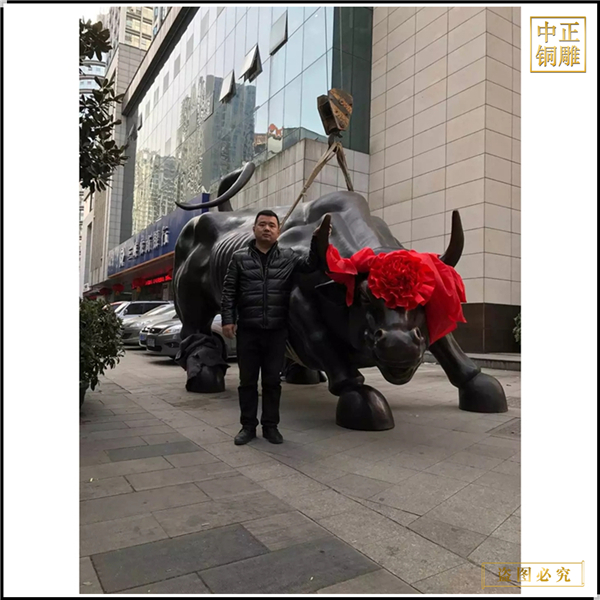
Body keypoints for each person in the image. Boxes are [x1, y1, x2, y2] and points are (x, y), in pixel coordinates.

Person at [221, 209, 328, 445]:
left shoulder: (288, 257)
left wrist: (317, 240)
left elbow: (311, 265)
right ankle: (247, 427)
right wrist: (228, 319)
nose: (267, 228)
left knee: (272, 382)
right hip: (248, 331)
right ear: (254, 229)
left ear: (279, 231)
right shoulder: (239, 258)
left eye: (271, 225)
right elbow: (229, 291)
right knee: (247, 382)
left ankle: (271, 427)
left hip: (277, 331)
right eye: (262, 224)